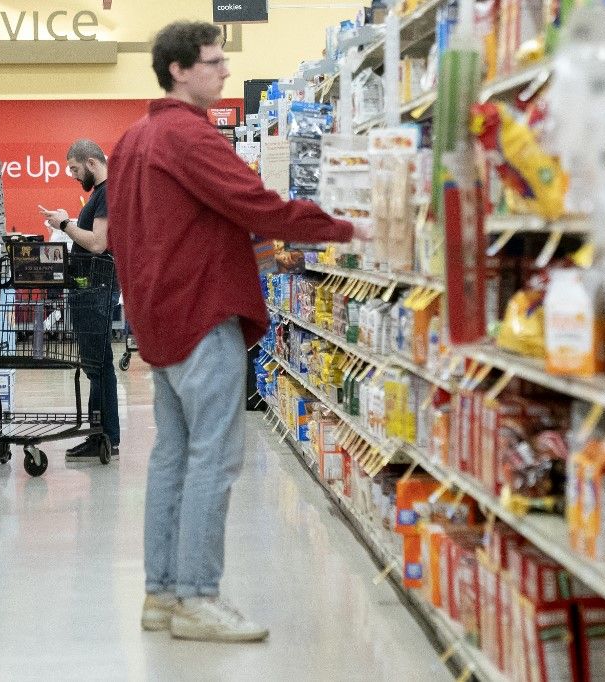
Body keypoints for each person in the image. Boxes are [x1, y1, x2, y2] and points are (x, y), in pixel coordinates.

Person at [107, 21, 365, 643]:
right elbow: (257, 204)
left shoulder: (133, 141)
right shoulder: (189, 136)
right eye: (214, 61)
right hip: (200, 316)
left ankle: (162, 594)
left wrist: (240, 248)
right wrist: (348, 228)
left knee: (172, 456)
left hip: (159, 318)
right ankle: (198, 596)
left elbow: (156, 231)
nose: (225, 72)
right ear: (178, 70)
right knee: (214, 458)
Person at [40, 140, 121, 460]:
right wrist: (66, 221)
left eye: (75, 169)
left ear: (91, 162)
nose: (73, 175)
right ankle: (100, 435)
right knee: (96, 366)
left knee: (98, 365)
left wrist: (64, 224)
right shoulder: (100, 194)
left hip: (97, 290)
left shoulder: (107, 192)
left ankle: (104, 436)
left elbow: (99, 243)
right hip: (93, 289)